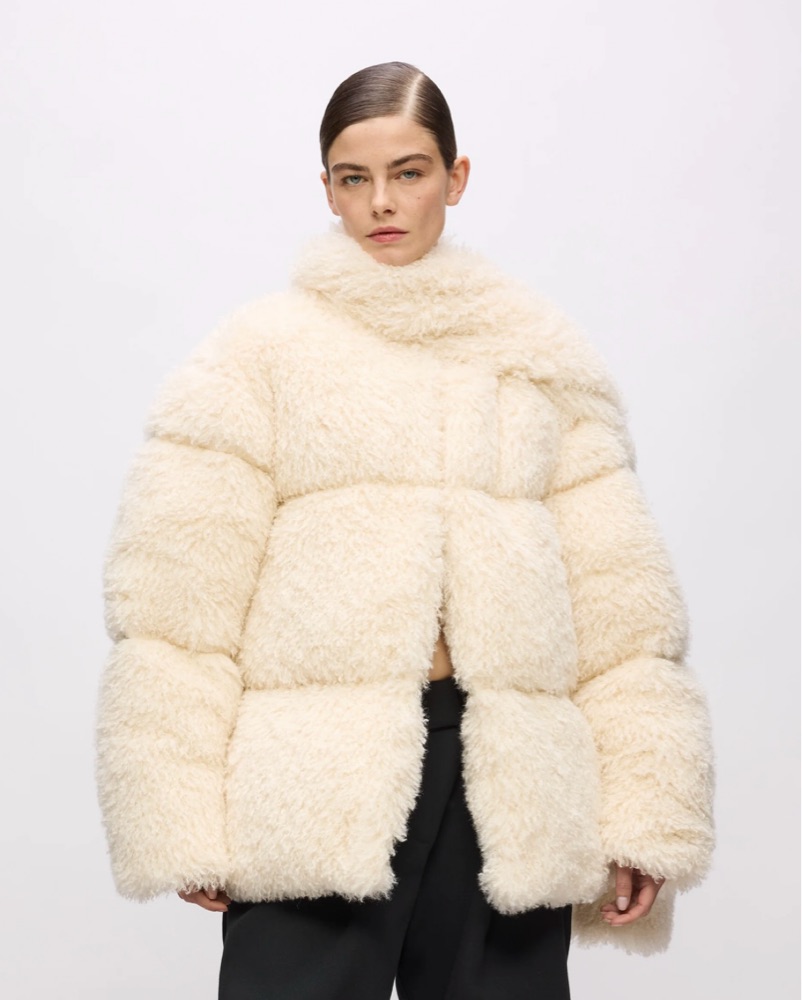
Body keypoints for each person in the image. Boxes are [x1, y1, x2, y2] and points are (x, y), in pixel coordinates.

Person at [95, 61, 715, 999]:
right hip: (314, 781)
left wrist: (644, 810)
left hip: (509, 782)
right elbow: (176, 608)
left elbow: (623, 610)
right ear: (328, 189)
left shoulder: (536, 358)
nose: (382, 201)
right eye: (355, 177)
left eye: (410, 172)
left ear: (455, 178)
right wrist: (178, 815)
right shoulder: (257, 358)